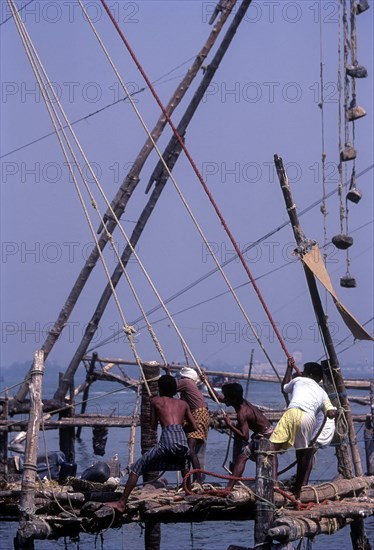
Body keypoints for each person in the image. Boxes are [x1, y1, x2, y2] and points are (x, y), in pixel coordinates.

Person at [106, 374, 197, 513]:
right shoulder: (183, 404)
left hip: (167, 439)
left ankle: (121, 503)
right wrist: (179, 428)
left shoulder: (156, 401)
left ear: (160, 388)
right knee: (184, 463)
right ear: (174, 389)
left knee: (137, 466)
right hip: (181, 439)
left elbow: (153, 426)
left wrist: (152, 410)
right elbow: (194, 427)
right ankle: (189, 493)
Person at [269, 361, 337, 498]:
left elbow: (284, 387)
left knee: (270, 449)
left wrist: (288, 368)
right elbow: (330, 410)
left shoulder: (298, 379)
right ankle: (298, 489)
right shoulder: (322, 392)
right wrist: (331, 412)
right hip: (308, 418)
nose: (301, 373)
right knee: (302, 455)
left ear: (309, 375)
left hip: (292, 412)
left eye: (304, 371)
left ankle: (272, 483)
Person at [210, 381, 273, 491]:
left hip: (266, 435)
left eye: (226, 396)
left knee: (242, 457)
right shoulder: (239, 401)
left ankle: (229, 488)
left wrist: (230, 425)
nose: (224, 398)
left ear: (232, 399)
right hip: (263, 432)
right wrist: (207, 383)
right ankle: (231, 486)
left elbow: (244, 436)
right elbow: (218, 397)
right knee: (243, 457)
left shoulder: (242, 413)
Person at [176, 366, 210, 485]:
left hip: (197, 414)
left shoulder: (185, 382)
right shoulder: (191, 384)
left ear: (184, 377)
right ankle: (190, 481)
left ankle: (198, 480)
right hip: (201, 414)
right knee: (191, 449)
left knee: (190, 449)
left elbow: (170, 388)